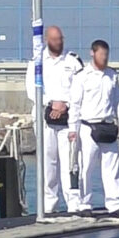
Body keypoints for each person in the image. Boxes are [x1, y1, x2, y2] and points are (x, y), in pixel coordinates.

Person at [26, 24, 85, 215]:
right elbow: (31, 90)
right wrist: (51, 103)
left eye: (60, 39)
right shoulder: (37, 62)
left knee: (71, 161)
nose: (58, 43)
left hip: (68, 118)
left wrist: (64, 104)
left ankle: (73, 203)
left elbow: (81, 87)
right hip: (45, 117)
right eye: (54, 40)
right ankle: (49, 204)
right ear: (46, 40)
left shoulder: (73, 60)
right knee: (47, 161)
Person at [72, 39, 119, 213]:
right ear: (92, 53)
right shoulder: (82, 76)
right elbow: (75, 104)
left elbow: (118, 100)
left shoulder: (112, 75)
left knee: (111, 168)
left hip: (108, 125)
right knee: (86, 167)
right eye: (102, 54)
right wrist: (73, 129)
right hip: (89, 126)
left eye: (106, 55)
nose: (104, 58)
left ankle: (114, 203)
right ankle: (85, 204)